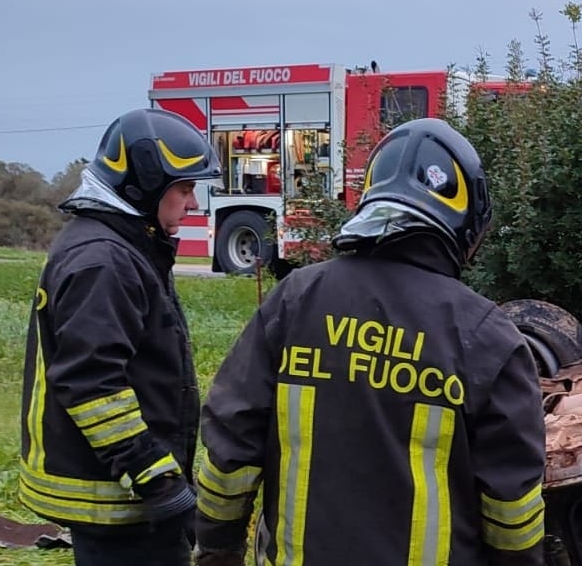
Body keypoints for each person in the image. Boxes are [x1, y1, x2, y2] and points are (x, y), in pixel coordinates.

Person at [194, 118, 548, 566]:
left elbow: (230, 450)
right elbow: (511, 509)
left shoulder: (297, 301)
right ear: (465, 220)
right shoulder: (487, 338)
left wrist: (217, 548)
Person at [18, 108, 222, 566]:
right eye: (184, 189)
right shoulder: (103, 261)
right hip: (119, 496)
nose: (191, 205)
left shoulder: (122, 246)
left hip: (121, 490)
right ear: (145, 185)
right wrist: (155, 477)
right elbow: (92, 383)